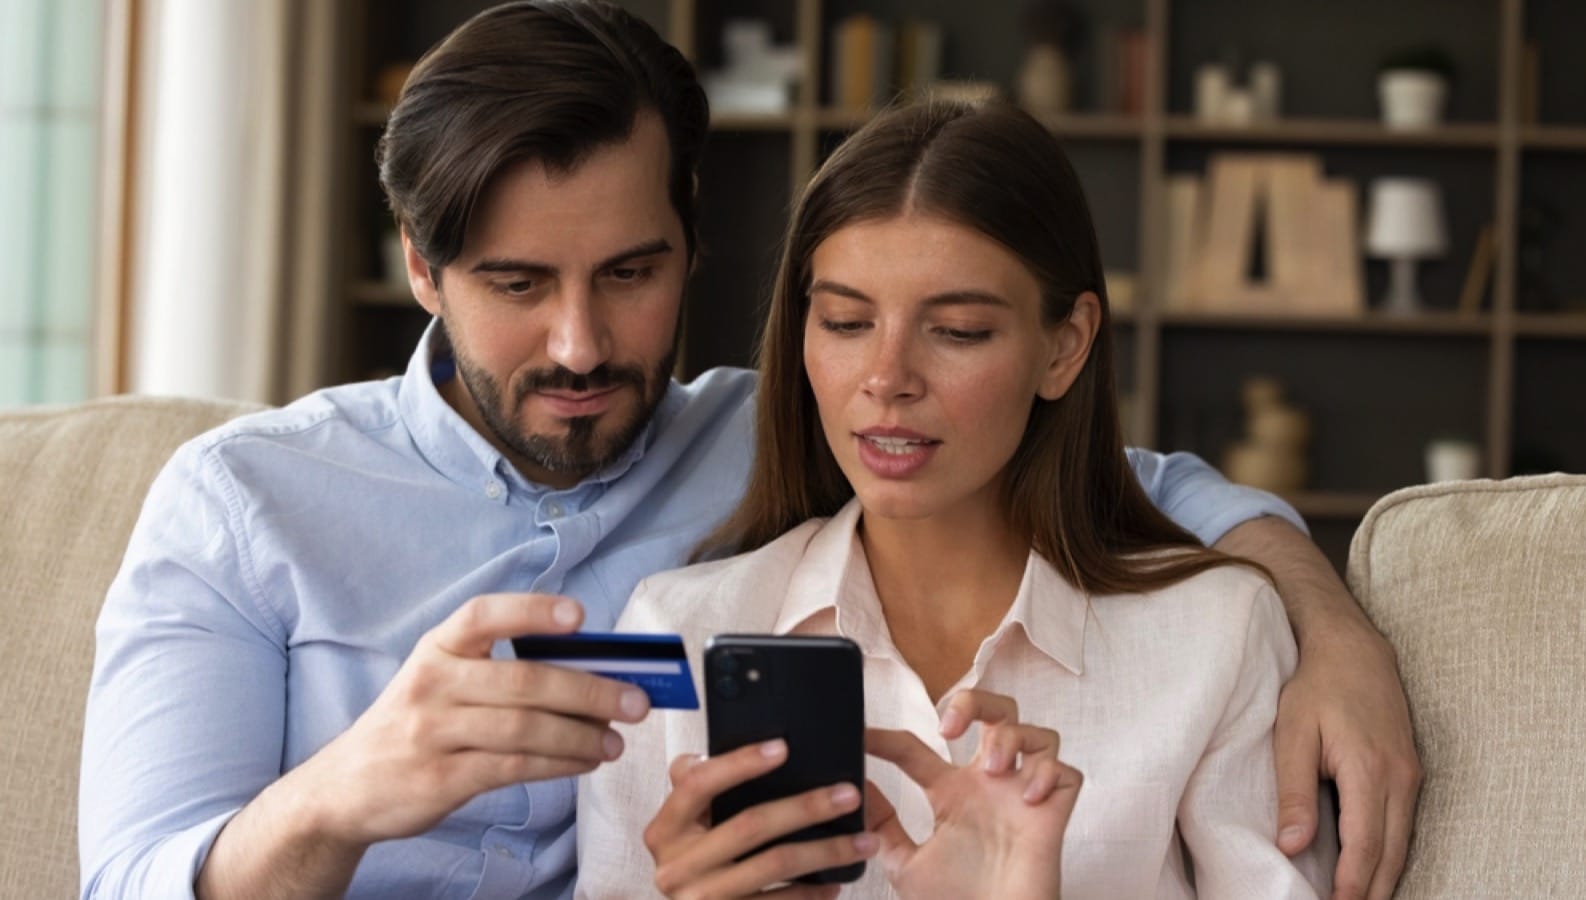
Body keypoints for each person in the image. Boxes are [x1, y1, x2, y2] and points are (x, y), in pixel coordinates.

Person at [77, 2, 1416, 899]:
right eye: (516, 284)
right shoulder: (244, 502)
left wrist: (1330, 622)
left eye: (632, 272)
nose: (583, 344)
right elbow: (130, 875)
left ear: (697, 247)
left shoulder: (803, 427)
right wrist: (342, 797)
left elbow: (1124, 483)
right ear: (421, 269)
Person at [575, 98, 1335, 899]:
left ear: (1065, 348)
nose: (887, 378)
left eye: (959, 331)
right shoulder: (680, 632)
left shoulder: (1215, 636)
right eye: (844, 322)